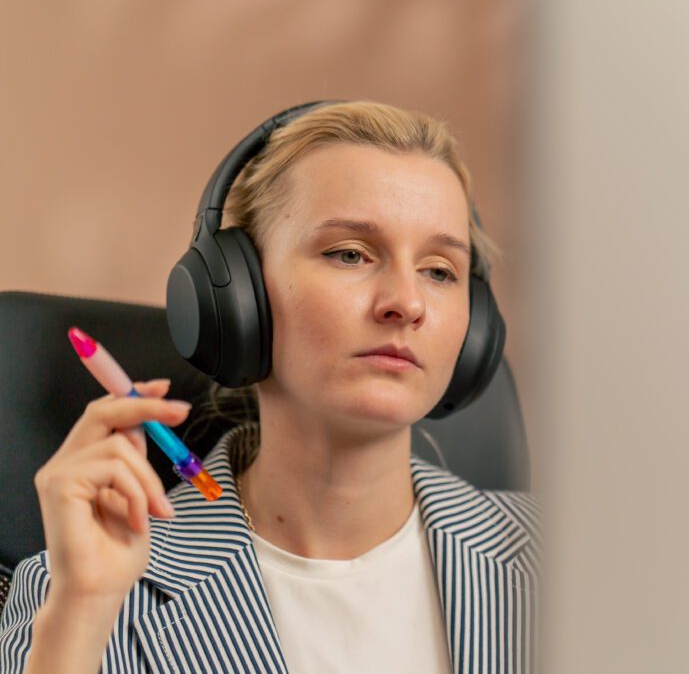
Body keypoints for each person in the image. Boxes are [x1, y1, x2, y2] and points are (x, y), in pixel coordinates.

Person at [0, 101, 540, 673]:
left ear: (475, 327)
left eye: (439, 270)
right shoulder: (76, 592)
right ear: (237, 302)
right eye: (349, 254)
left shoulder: (562, 564)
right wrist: (81, 620)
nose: (406, 303)